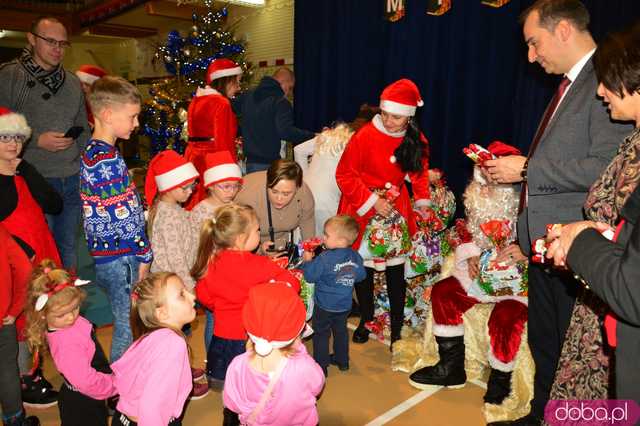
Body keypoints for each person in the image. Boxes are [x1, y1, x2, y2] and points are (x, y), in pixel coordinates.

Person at [481, 1, 631, 422]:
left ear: (563, 29)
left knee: (576, 357)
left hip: (577, 251)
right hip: (547, 247)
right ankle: (542, 415)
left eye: (535, 42)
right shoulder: (572, 83)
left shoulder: (606, 81)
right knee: (547, 345)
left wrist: (528, 168)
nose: (531, 56)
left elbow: (608, 167)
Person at [544, 26, 640, 403]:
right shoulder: (632, 138)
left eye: (607, 81)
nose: (601, 92)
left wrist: (579, 238)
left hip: (617, 295)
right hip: (603, 293)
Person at [409, 144, 529, 408]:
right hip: (479, 274)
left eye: (492, 181)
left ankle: (501, 379)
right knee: (443, 292)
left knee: (506, 318)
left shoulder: (528, 205)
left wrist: (525, 250)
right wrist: (472, 254)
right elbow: (466, 230)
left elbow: (547, 237)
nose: (484, 188)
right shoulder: (477, 202)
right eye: (481, 180)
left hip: (517, 282)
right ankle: (451, 368)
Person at [335, 78, 432, 347]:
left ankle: (397, 329)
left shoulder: (415, 139)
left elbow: (419, 173)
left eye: (397, 117)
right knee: (363, 272)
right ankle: (367, 320)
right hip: (363, 209)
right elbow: (344, 174)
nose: (389, 121)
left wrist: (422, 202)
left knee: (395, 272)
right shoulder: (364, 135)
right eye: (386, 114)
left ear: (409, 117)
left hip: (394, 212)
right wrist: (371, 201)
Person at [0, 16, 90, 271]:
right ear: (31, 39)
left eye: (63, 44)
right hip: (32, 179)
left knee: (69, 247)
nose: (57, 49)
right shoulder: (10, 76)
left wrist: (86, 164)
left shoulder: (72, 81)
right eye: (50, 41)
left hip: (71, 176)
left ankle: (68, 305)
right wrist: (37, 139)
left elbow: (82, 126)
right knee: (39, 252)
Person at [80, 76, 152, 362]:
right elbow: (122, 218)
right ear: (108, 115)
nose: (136, 124)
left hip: (107, 255)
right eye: (132, 117)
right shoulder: (105, 160)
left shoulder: (96, 152)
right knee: (128, 321)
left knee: (125, 317)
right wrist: (145, 253)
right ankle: (120, 386)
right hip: (122, 255)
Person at [191, 204, 300, 389]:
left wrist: (220, 305)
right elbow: (293, 284)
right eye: (257, 230)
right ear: (241, 238)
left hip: (222, 335)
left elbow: (203, 295)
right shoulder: (260, 264)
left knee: (227, 381)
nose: (259, 233)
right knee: (253, 382)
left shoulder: (211, 263)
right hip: (253, 337)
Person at [0, 106, 62, 409]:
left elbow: (55, 204)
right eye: (4, 138)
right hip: (15, 265)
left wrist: (26, 170)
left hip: (42, 257)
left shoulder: (25, 170)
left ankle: (34, 372)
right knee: (22, 322)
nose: (12, 144)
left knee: (40, 317)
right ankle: (25, 380)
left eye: (16, 137)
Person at [24, 259, 115, 426]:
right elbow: (86, 380)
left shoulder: (67, 323)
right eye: (62, 314)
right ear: (43, 315)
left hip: (90, 393)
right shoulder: (67, 345)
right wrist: (112, 386)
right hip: (83, 400)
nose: (71, 317)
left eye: (75, 308)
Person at [222, 281, 325, 426]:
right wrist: (301, 352)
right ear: (297, 333)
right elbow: (317, 386)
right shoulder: (304, 366)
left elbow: (233, 404)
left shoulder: (238, 365)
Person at [110, 272, 195, 426]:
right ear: (162, 313)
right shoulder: (173, 345)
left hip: (124, 418)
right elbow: (153, 405)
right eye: (182, 294)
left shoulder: (149, 336)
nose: (193, 296)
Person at [189, 150, 243, 352]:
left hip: (234, 273)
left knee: (232, 317)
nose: (231, 191)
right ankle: (213, 360)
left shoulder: (234, 207)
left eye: (235, 186)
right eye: (226, 186)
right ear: (210, 185)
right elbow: (196, 248)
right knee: (215, 318)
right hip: (213, 276)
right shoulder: (201, 212)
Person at [299, 215, 366, 375]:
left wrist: (308, 261)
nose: (323, 237)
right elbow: (361, 276)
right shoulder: (355, 256)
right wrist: (346, 276)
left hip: (324, 306)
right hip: (343, 306)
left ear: (341, 241)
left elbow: (310, 276)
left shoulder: (324, 258)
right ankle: (342, 361)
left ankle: (321, 366)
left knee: (321, 334)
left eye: (327, 235)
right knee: (341, 332)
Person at [185, 58, 242, 210]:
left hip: (193, 159)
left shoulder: (196, 100)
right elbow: (224, 143)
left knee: (195, 203)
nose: (238, 87)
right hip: (212, 163)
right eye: (236, 82)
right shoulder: (221, 103)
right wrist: (231, 174)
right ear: (227, 81)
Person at [233, 67, 315, 173]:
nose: (289, 93)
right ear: (284, 82)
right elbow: (286, 132)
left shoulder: (248, 96)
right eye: (290, 88)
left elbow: (229, 111)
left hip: (250, 164)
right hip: (269, 165)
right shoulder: (281, 102)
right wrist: (312, 136)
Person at [0, 224, 40, 426]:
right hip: (2, 317)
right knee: (6, 368)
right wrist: (14, 309)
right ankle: (14, 419)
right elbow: (25, 268)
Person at [145, 150, 199, 290]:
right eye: (185, 187)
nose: (191, 191)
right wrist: (189, 286)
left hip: (174, 279)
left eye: (193, 185)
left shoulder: (169, 207)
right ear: (168, 187)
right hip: (172, 282)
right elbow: (176, 259)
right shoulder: (169, 217)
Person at [235, 159, 315, 253]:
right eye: (274, 191)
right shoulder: (247, 197)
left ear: (297, 188)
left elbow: (307, 222)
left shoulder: (304, 193)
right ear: (267, 184)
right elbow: (236, 241)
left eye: (286, 194)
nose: (279, 199)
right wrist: (260, 250)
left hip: (280, 243)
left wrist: (308, 249)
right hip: (250, 247)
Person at [75, 64, 108, 129]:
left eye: (87, 84)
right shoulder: (81, 97)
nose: (83, 87)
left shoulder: (104, 101)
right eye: (81, 84)